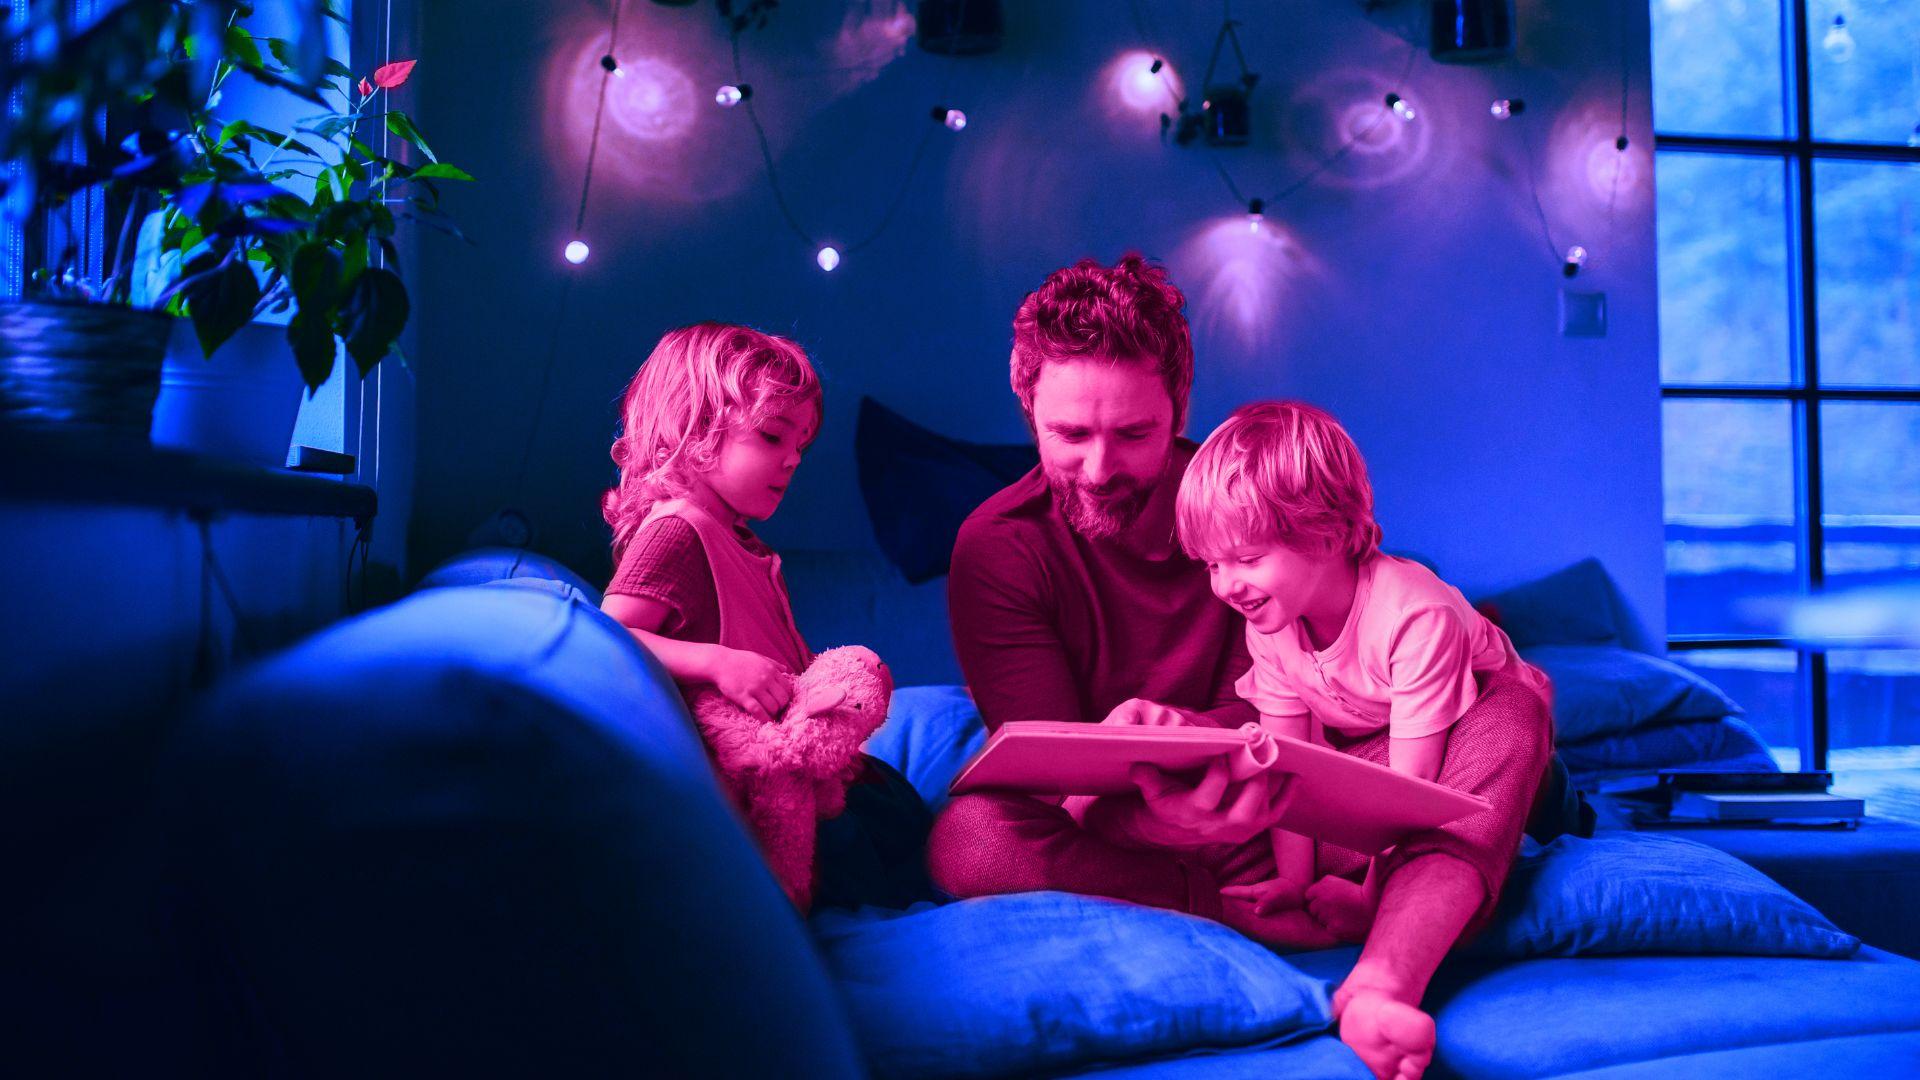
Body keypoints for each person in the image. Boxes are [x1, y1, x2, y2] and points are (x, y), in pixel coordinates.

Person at [929, 258, 1565, 1080]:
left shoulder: (1249, 502)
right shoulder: (999, 547)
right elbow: (1056, 783)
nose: (1099, 468)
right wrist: (1166, 819)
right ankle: (1265, 919)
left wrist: (1203, 745)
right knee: (970, 837)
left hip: (1310, 799)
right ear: (1028, 412)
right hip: (1140, 837)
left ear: (1179, 412)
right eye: (1069, 436)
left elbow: (1318, 701)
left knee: (1510, 710)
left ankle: (1382, 972)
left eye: (1134, 434)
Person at [1176, 399, 1555, 1080]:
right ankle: (1345, 904)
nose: (1226, 585)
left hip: (1488, 767)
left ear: (1324, 536)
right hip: (1386, 757)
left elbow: (1409, 797)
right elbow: (1290, 762)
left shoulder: (1414, 614)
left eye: (1247, 559)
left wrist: (1365, 895)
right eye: (1211, 564)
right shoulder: (1269, 622)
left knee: (1516, 707)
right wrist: (1296, 880)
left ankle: (1381, 980)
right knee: (1245, 771)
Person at [599, 322, 933, 911]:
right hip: (761, 791)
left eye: (800, 446)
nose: (791, 461)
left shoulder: (734, 537)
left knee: (904, 809)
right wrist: (716, 661)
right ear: (693, 428)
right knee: (891, 843)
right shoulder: (679, 530)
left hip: (801, 765)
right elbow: (612, 634)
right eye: (773, 436)